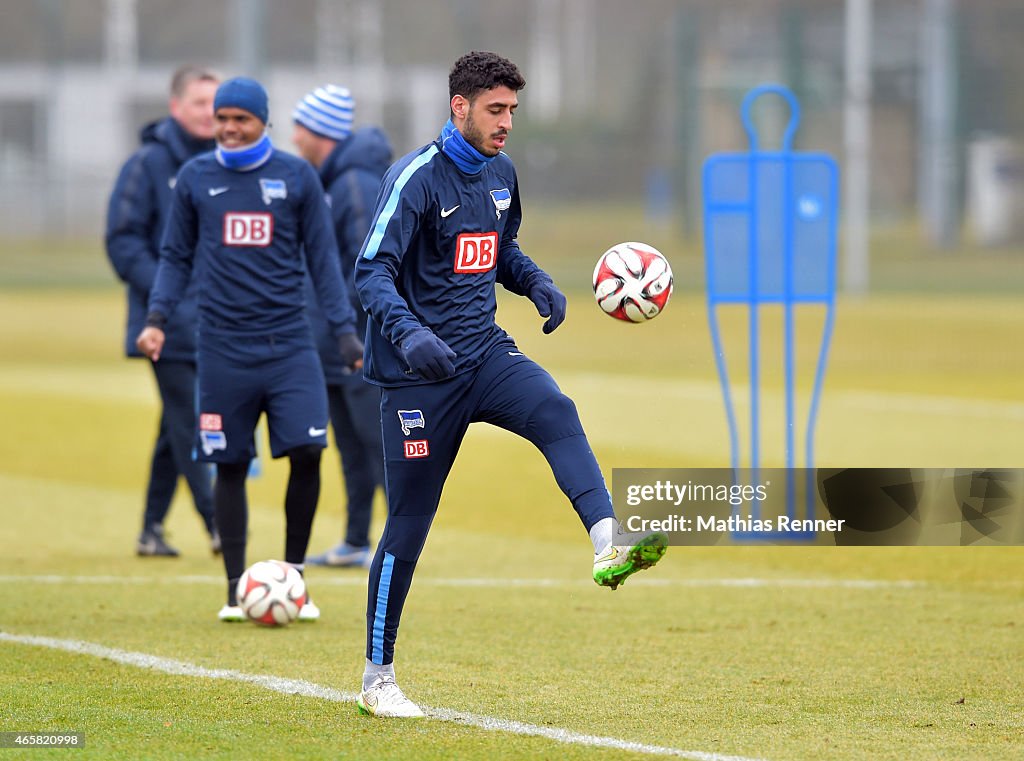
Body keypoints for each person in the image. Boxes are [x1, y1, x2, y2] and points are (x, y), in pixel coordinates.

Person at [352, 51, 668, 718]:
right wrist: (410, 335)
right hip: (418, 379)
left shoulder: (501, 173)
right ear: (458, 107)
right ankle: (378, 678)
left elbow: (500, 249)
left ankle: (607, 537)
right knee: (408, 524)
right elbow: (371, 272)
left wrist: (535, 282)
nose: (506, 124)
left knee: (556, 406)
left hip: (486, 356)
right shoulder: (413, 178)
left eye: (512, 112)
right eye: (495, 110)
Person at [135, 77, 364, 622]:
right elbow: (174, 257)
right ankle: (237, 589)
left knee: (308, 453)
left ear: (264, 122)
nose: (231, 129)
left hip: (290, 347)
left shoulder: (295, 177)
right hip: (222, 350)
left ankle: (294, 580)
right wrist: (157, 318)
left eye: (242, 119)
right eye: (222, 119)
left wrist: (344, 330)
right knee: (230, 463)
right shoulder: (195, 179)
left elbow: (324, 262)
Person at [105, 64, 221, 558]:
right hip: (166, 325)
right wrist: (168, 295)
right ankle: (219, 525)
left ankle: (151, 528)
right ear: (176, 107)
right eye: (199, 103)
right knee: (193, 419)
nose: (209, 114)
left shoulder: (227, 163)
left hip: (221, 323)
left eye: (216, 105)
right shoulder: (147, 164)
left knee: (175, 427)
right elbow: (123, 240)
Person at [290, 84, 393, 569]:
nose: (293, 138)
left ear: (321, 133)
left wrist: (349, 330)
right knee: (351, 446)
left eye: (300, 128)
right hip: (333, 342)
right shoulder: (332, 181)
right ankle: (356, 540)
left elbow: (365, 266)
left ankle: (400, 540)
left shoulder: (353, 183)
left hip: (359, 342)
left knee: (377, 442)